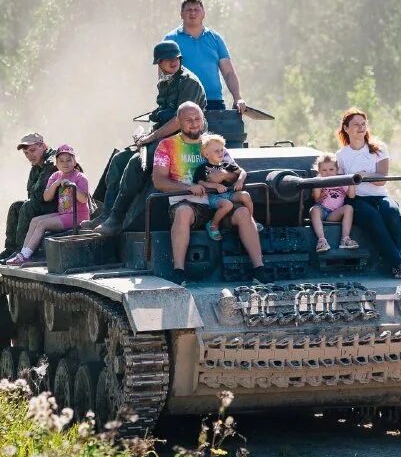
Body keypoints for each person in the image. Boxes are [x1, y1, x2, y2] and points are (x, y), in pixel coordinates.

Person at [90, 40, 205, 235]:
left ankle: (117, 219)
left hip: (185, 137)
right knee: (119, 160)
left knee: (137, 163)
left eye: (175, 58)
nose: (172, 62)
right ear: (159, 63)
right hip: (165, 135)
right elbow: (165, 111)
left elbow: (180, 121)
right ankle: (107, 214)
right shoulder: (166, 81)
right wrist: (152, 122)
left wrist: (151, 137)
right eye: (167, 59)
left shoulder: (188, 82)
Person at [152, 102, 270, 285]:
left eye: (197, 119)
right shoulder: (167, 145)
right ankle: (179, 272)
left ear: (203, 120)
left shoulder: (212, 143)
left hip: (219, 199)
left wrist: (224, 175)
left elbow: (235, 173)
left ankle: (259, 269)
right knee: (183, 212)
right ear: (178, 122)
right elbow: (159, 181)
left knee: (243, 212)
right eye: (188, 120)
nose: (193, 123)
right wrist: (188, 187)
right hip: (188, 201)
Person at [335, 108, 401, 279]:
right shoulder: (341, 155)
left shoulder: (379, 149)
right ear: (346, 128)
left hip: (380, 195)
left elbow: (382, 179)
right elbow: (342, 183)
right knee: (372, 217)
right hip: (356, 199)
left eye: (363, 124)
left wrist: (363, 175)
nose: (361, 128)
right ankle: (400, 265)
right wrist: (353, 181)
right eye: (356, 124)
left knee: (392, 212)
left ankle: (398, 264)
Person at [5, 144, 90, 265]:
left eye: (69, 160)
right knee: (35, 220)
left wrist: (73, 187)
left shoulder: (80, 177)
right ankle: (24, 252)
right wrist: (56, 184)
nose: (65, 163)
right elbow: (46, 197)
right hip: (64, 214)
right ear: (56, 163)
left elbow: (83, 200)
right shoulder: (55, 176)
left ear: (75, 161)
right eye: (61, 161)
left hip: (78, 216)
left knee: (42, 224)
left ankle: (25, 255)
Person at [164, 0, 246, 113]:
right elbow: (164, 74)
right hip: (183, 103)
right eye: (188, 10)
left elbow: (228, 73)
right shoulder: (171, 39)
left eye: (196, 9)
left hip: (214, 102)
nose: (192, 13)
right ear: (181, 14)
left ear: (203, 14)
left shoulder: (216, 39)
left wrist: (237, 98)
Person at [0, 133, 57, 263]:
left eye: (33, 150)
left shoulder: (51, 162)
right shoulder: (36, 167)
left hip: (60, 206)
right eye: (26, 153)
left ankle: (21, 251)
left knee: (28, 206)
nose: (30, 155)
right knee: (16, 206)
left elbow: (40, 192)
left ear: (43, 146)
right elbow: (31, 193)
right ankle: (10, 249)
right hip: (46, 204)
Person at [193, 133, 262, 241]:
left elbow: (242, 172)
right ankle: (213, 225)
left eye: (221, 150)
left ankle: (251, 219)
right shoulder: (202, 168)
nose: (220, 153)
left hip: (229, 193)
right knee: (227, 205)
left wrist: (239, 181)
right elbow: (200, 182)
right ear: (206, 154)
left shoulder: (226, 164)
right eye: (216, 151)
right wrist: (215, 185)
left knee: (245, 196)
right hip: (214, 197)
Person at [309, 153, 359, 253]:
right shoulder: (320, 181)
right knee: (314, 210)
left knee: (349, 208)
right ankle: (322, 240)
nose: (328, 173)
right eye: (324, 170)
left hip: (334, 213)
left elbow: (352, 195)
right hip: (322, 209)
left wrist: (351, 182)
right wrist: (318, 180)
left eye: (331, 169)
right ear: (319, 171)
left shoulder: (340, 181)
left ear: (336, 170)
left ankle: (345, 239)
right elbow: (317, 197)